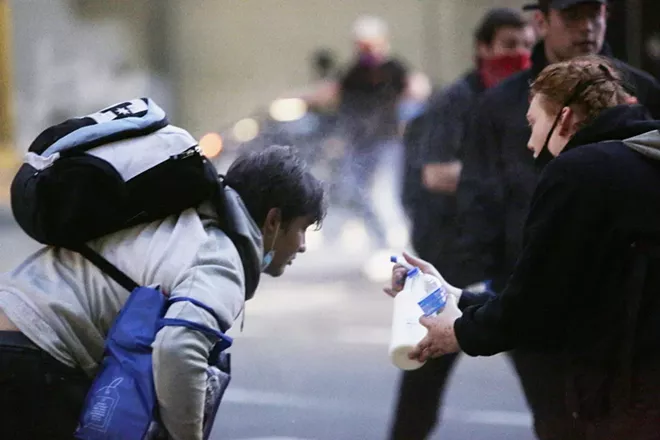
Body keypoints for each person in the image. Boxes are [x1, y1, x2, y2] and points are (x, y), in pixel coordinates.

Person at [388, 55, 660, 439]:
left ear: (565, 119)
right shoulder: (643, 157)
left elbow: (536, 305)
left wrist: (460, 333)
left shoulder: (580, 171)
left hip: (625, 396)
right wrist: (454, 296)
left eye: (533, 125)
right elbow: (562, 296)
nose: (531, 144)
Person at [0, 145, 326, 440]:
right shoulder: (218, 257)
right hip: (35, 354)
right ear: (273, 221)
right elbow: (179, 349)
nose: (302, 245)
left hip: (17, 327)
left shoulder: (185, 220)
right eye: (302, 228)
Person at [392, 8, 536, 439]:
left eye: (528, 44)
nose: (521, 53)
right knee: (421, 384)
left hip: (506, 263)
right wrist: (508, 181)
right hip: (451, 263)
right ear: (483, 47)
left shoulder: (526, 96)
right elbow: (435, 173)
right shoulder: (456, 101)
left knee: (544, 382)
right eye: (511, 44)